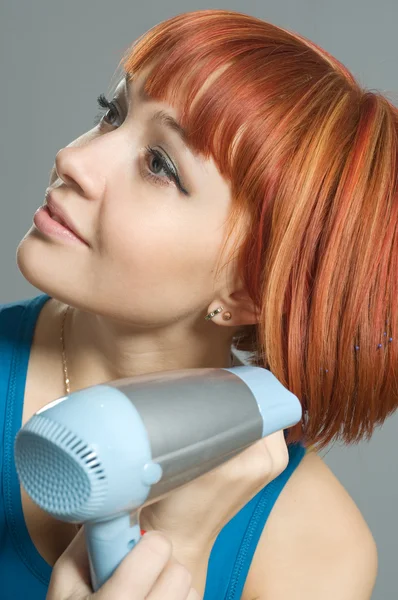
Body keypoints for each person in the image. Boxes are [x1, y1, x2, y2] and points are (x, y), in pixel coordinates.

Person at [2, 6, 394, 598]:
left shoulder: (318, 554)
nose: (73, 160)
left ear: (245, 292)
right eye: (113, 114)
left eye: (160, 165)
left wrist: (178, 548)